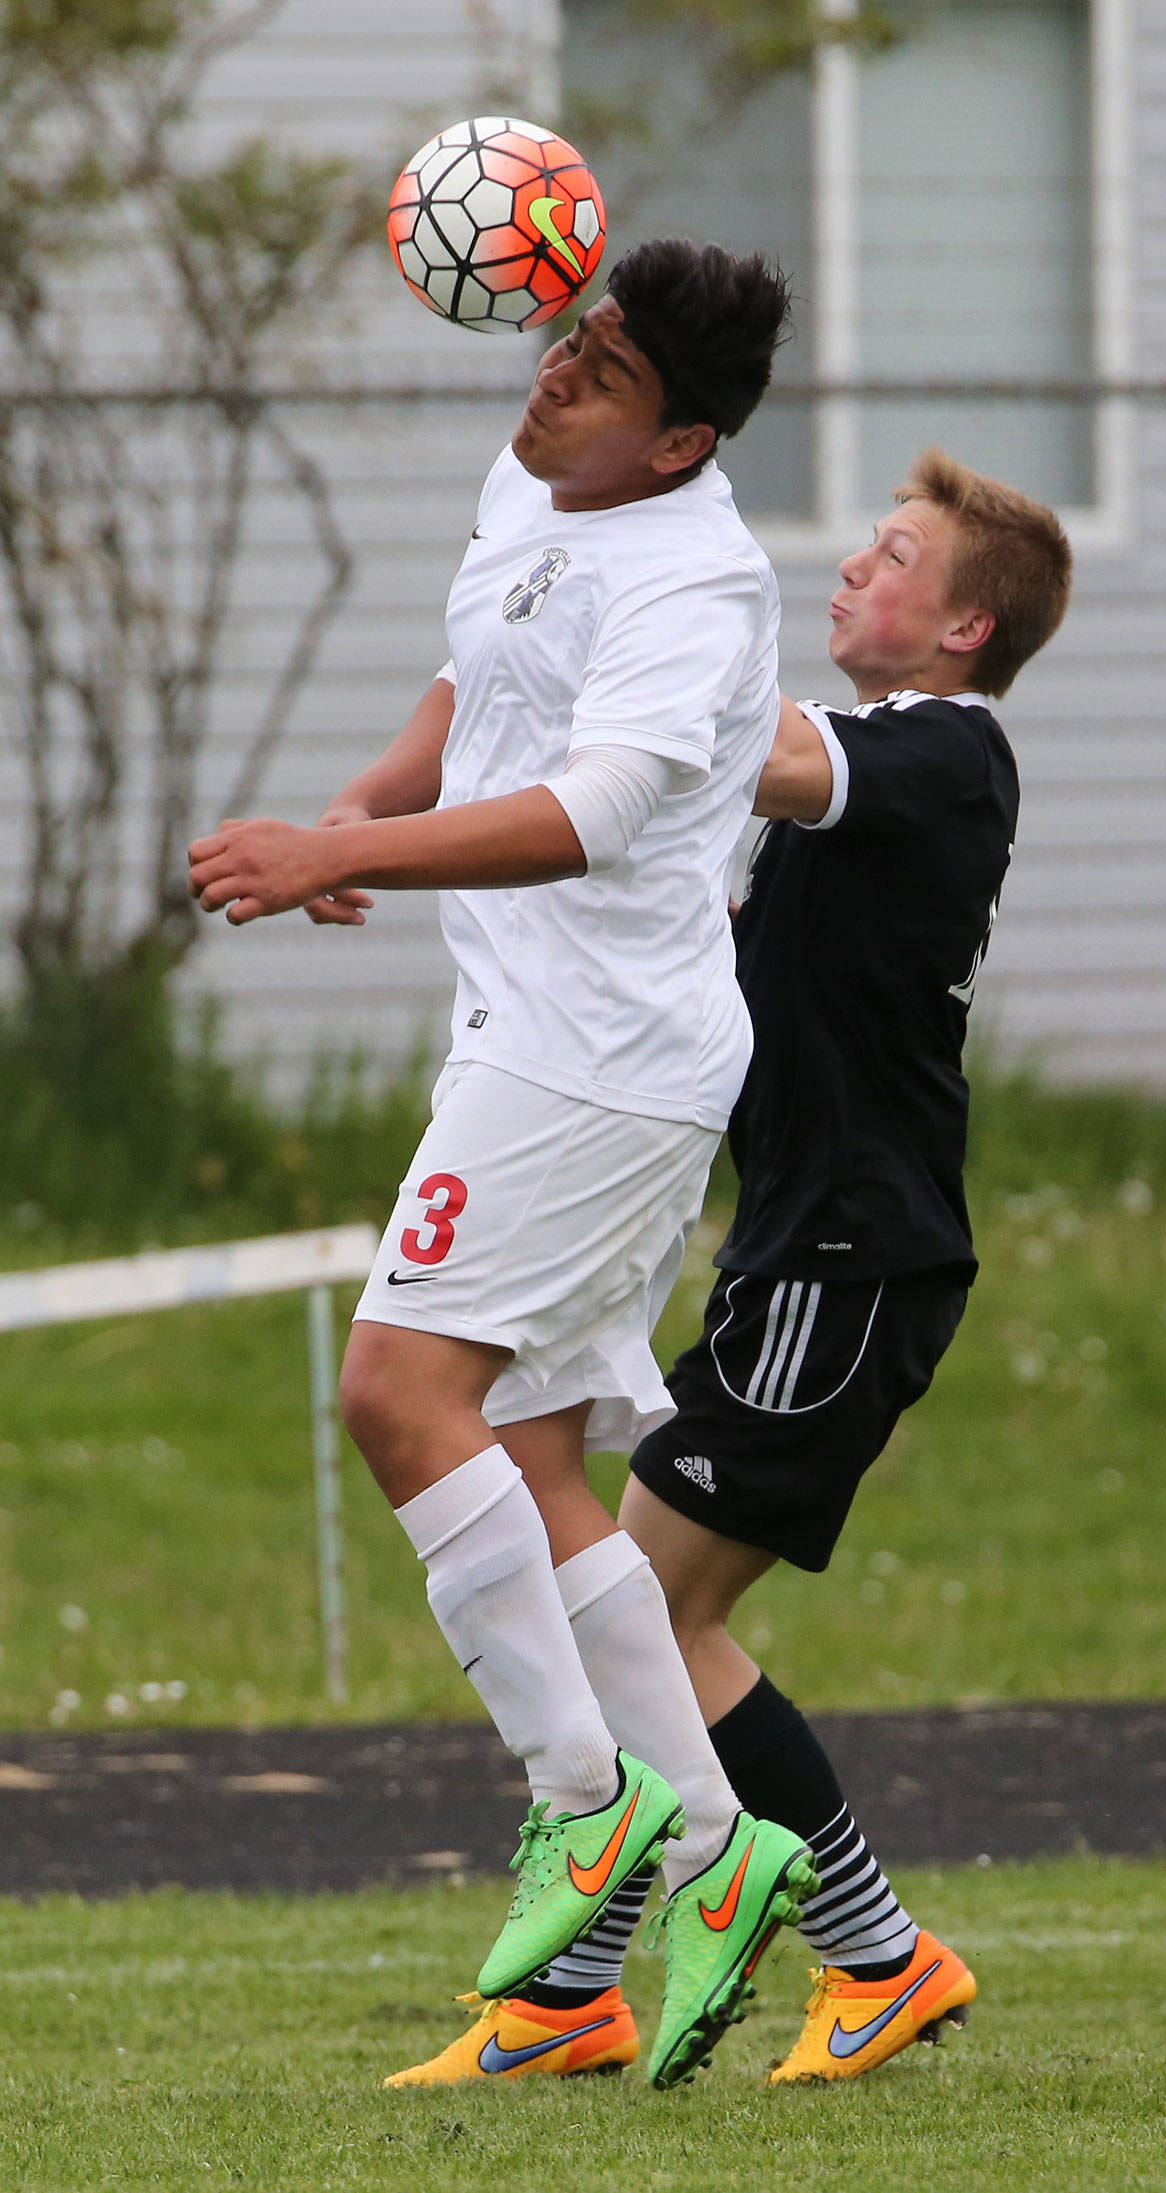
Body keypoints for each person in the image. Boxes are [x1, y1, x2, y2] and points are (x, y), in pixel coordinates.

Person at [187, 239, 817, 2093]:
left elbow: (592, 811)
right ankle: (712, 1850)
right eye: (566, 337)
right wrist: (364, 808)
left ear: (682, 437)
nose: (552, 377)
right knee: (530, 1461)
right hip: (552, 1044)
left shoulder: (698, 583)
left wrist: (317, 868)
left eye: (599, 372)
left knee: (396, 1393)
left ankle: (583, 1799)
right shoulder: (548, 484)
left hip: (596, 1056)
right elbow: (485, 680)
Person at [465, 446, 1072, 2086]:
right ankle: (585, 1997)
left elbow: (748, 745)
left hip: (854, 1256)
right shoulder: (866, 752)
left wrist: (646, 599)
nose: (854, 570)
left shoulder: (945, 752)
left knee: (645, 1606)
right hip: (793, 1246)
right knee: (627, 1609)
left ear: (960, 627)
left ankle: (870, 1956)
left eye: (891, 555)